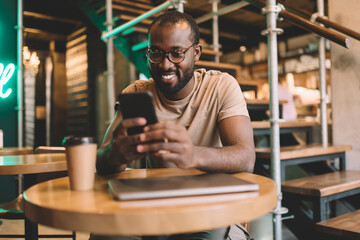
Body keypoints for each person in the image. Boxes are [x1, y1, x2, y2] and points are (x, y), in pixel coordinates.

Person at [95, 11, 255, 240]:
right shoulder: (137, 93)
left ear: (196, 52)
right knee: (105, 234)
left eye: (177, 53)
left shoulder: (222, 86)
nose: (165, 64)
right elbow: (102, 160)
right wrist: (115, 154)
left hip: (212, 210)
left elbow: (246, 157)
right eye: (156, 53)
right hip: (156, 210)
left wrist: (193, 155)